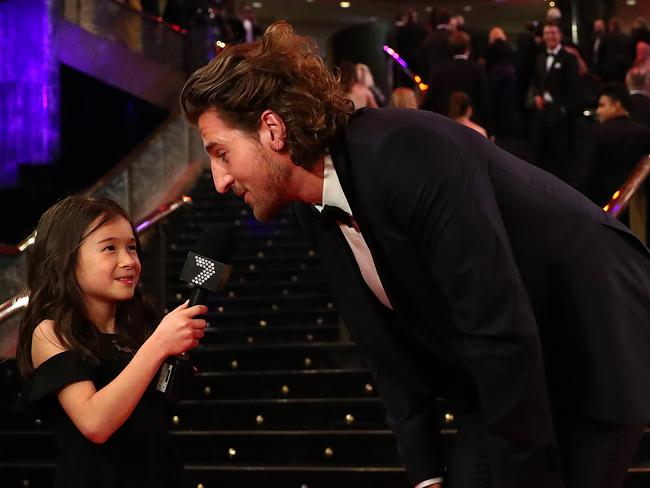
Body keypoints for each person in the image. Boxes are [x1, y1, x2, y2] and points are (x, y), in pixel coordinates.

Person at [180, 21, 650, 488]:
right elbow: (382, 347)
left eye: (222, 153)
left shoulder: (405, 153)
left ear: (272, 130)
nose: (220, 182)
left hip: (590, 335)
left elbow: (498, 326)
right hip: (501, 371)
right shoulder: (312, 205)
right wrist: (425, 474)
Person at [14, 196, 208, 488]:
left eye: (132, 247)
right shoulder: (50, 332)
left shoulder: (140, 322)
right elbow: (95, 424)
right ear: (67, 257)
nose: (128, 261)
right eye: (109, 248)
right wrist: (157, 346)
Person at [583, 83, 650, 207]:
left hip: (604, 205)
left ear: (616, 105)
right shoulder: (645, 133)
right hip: (637, 206)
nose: (598, 111)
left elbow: (588, 174)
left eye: (602, 105)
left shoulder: (598, 133)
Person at [529, 21, 581, 183]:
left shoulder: (570, 58)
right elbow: (536, 82)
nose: (550, 36)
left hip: (560, 118)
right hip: (542, 114)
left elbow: (574, 89)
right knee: (540, 155)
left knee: (560, 158)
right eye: (547, 33)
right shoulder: (540, 58)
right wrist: (536, 95)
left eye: (553, 33)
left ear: (559, 35)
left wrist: (563, 110)